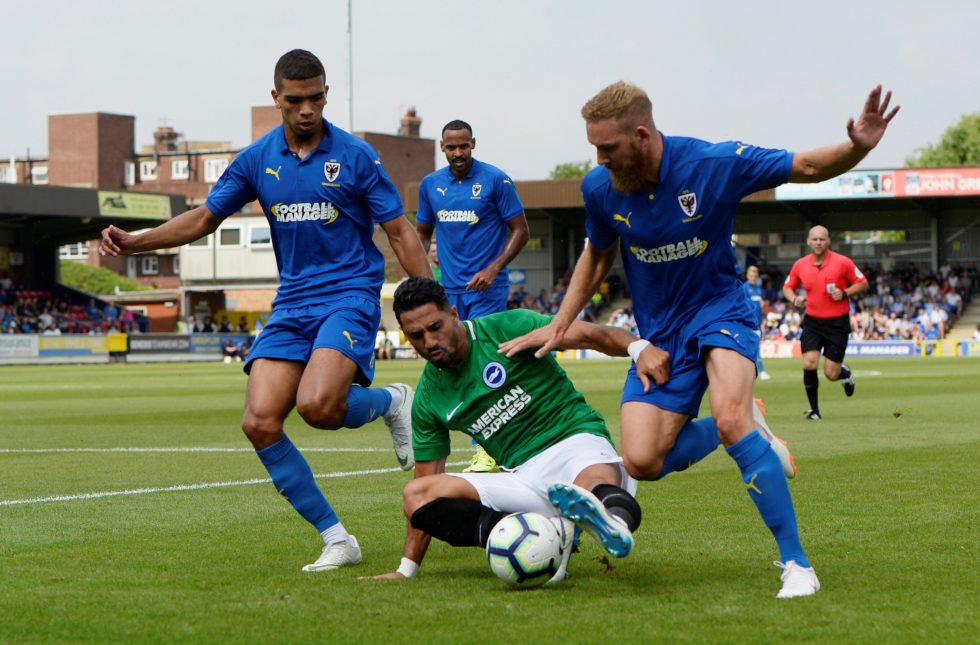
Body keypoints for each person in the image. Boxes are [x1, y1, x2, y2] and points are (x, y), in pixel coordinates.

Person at [501, 81, 899, 598]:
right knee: (643, 460)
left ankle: (797, 564)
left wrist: (858, 146)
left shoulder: (712, 164)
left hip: (720, 312)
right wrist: (561, 321)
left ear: (641, 135)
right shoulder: (600, 187)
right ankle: (749, 422)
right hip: (661, 333)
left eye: (608, 148)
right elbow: (597, 254)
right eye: (594, 148)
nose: (598, 158)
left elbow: (805, 166)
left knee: (731, 419)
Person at [99, 49, 432, 572]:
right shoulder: (256, 159)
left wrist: (428, 300)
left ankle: (391, 401)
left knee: (320, 407)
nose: (307, 109)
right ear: (275, 97)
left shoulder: (357, 155)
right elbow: (205, 218)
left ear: (326, 95)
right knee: (259, 421)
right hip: (293, 301)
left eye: (316, 99)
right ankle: (338, 539)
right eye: (295, 100)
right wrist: (137, 242)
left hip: (350, 293)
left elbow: (399, 230)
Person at [364, 277, 647, 582]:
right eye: (416, 335)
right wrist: (406, 569)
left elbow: (592, 336)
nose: (429, 341)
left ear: (455, 315)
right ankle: (538, 532)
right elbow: (427, 479)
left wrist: (639, 348)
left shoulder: (507, 327)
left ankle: (613, 521)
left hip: (575, 440)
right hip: (523, 476)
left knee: (590, 484)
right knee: (417, 495)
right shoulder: (429, 399)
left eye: (435, 327)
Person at [416, 120, 530, 474]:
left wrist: (494, 268)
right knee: (450, 363)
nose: (458, 153)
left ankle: (489, 448)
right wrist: (425, 279)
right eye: (451, 148)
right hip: (447, 293)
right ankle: (455, 441)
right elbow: (420, 235)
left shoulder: (496, 180)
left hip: (487, 290)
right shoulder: (431, 186)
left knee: (483, 364)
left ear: (473, 144)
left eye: (463, 146)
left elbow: (521, 231)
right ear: (442, 148)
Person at [782, 225, 868, 420]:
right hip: (812, 321)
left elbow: (863, 282)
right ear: (808, 241)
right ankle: (814, 410)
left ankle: (843, 373)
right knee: (809, 362)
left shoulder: (843, 262)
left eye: (822, 239)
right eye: (815, 239)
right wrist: (794, 298)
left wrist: (845, 292)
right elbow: (787, 287)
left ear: (828, 241)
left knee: (830, 373)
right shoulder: (800, 265)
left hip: (837, 323)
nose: (818, 242)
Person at [743, 265, 772, 380]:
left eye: (755, 275)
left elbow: (762, 302)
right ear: (747, 275)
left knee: (754, 347)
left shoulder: (759, 288)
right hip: (748, 323)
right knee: (755, 347)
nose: (753, 277)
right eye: (751, 275)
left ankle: (750, 372)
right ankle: (762, 371)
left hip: (758, 323)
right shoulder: (744, 288)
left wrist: (763, 305)